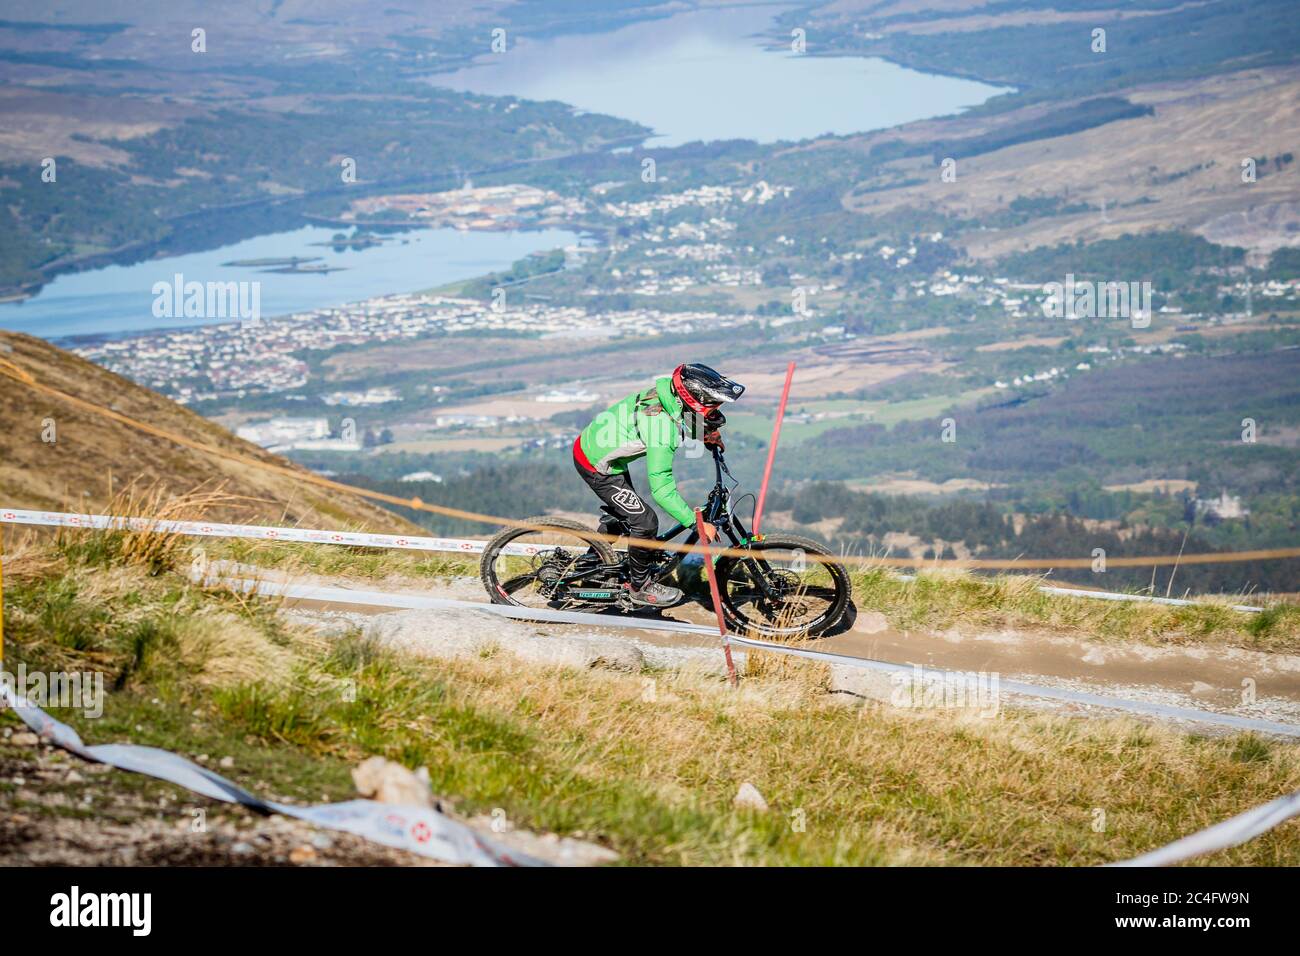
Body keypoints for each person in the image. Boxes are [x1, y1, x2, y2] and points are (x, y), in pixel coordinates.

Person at [573, 363, 745, 606]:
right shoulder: (662, 430)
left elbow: (681, 410)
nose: (718, 409)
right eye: (714, 405)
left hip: (599, 451)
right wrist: (696, 524)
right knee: (645, 521)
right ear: (696, 401)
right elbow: (662, 490)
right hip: (597, 466)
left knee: (625, 517)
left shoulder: (667, 395)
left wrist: (705, 433)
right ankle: (639, 587)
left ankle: (590, 564)